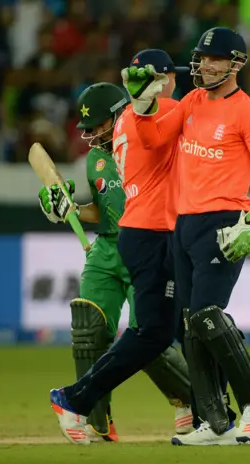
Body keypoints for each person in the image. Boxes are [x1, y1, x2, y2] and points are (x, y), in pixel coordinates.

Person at [121, 27, 250, 446]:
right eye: (202, 57)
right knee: (191, 325)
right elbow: (154, 138)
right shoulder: (192, 100)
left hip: (224, 222)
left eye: (215, 59)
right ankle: (214, 421)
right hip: (184, 225)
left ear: (235, 64)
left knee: (208, 314)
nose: (206, 65)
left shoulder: (247, 111)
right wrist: (142, 105)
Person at [43, 72, 192, 445]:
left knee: (149, 338)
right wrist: (68, 208)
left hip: (150, 241)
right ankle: (94, 421)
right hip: (107, 247)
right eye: (87, 127)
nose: (92, 134)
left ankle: (191, 401)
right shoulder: (96, 157)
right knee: (88, 326)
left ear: (121, 113)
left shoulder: (151, 142)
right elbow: (102, 210)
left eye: (98, 125)